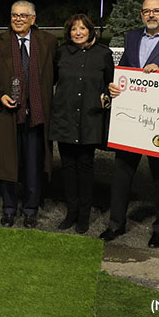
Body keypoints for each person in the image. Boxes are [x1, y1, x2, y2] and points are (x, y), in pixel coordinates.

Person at [101, 0, 159, 247]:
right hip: (131, 121)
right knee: (121, 173)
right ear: (141, 15)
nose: (151, 15)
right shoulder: (131, 37)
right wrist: (115, 87)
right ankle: (115, 224)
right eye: (146, 11)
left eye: (156, 11)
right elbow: (126, 72)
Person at [0, 0, 57, 228]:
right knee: (8, 162)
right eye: (15, 15)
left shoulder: (49, 42)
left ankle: (31, 209)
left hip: (37, 116)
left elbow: (54, 75)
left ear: (33, 19)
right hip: (8, 115)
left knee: (34, 165)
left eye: (23, 16)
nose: (18, 19)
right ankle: (9, 208)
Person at [51, 14, 114, 234]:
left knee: (85, 168)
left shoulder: (104, 54)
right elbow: (49, 80)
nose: (78, 32)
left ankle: (84, 217)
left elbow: (110, 84)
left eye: (82, 28)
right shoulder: (61, 53)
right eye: (73, 29)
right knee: (67, 168)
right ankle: (72, 212)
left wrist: (106, 95)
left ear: (90, 30)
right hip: (64, 119)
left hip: (89, 119)